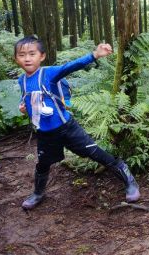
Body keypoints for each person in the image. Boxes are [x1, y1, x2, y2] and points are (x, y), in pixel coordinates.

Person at [15, 36, 140, 210]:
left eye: (31, 54)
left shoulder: (48, 73)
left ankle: (127, 176)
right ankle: (38, 193)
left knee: (95, 153)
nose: (27, 58)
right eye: (22, 55)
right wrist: (24, 108)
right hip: (44, 133)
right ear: (16, 58)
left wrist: (95, 55)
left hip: (67, 128)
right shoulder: (22, 80)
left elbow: (70, 66)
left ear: (41, 56)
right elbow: (28, 99)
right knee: (43, 163)